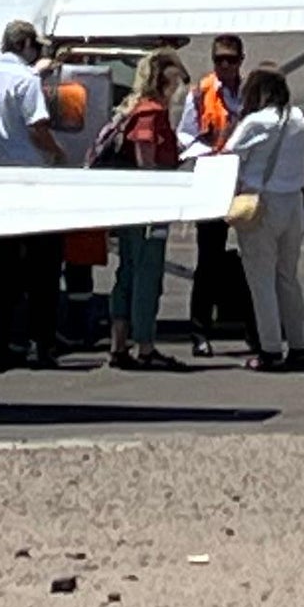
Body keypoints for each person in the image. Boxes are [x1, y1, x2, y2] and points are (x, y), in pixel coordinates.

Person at [0, 18, 67, 366]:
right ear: (26, 45)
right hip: (29, 176)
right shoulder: (26, 81)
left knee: (0, 268)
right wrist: (57, 152)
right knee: (43, 267)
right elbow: (37, 127)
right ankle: (42, 340)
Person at [99, 49, 188, 371]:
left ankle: (119, 344)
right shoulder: (151, 113)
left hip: (133, 206)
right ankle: (145, 345)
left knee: (127, 273)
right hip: (148, 207)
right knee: (146, 275)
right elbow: (145, 157)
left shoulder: (137, 108)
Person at [221, 64, 304, 370]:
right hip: (293, 203)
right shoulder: (298, 118)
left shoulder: (255, 123)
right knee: (288, 277)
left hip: (261, 204)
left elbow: (228, 155)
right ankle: (298, 346)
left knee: (261, 281)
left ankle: (270, 349)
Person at [179, 35, 252, 358]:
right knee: (208, 258)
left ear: (241, 60)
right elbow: (186, 136)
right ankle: (199, 330)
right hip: (212, 179)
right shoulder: (200, 93)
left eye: (231, 60)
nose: (224, 66)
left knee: (254, 255)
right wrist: (212, 150)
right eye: (219, 60)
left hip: (244, 182)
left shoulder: (252, 93)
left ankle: (255, 328)